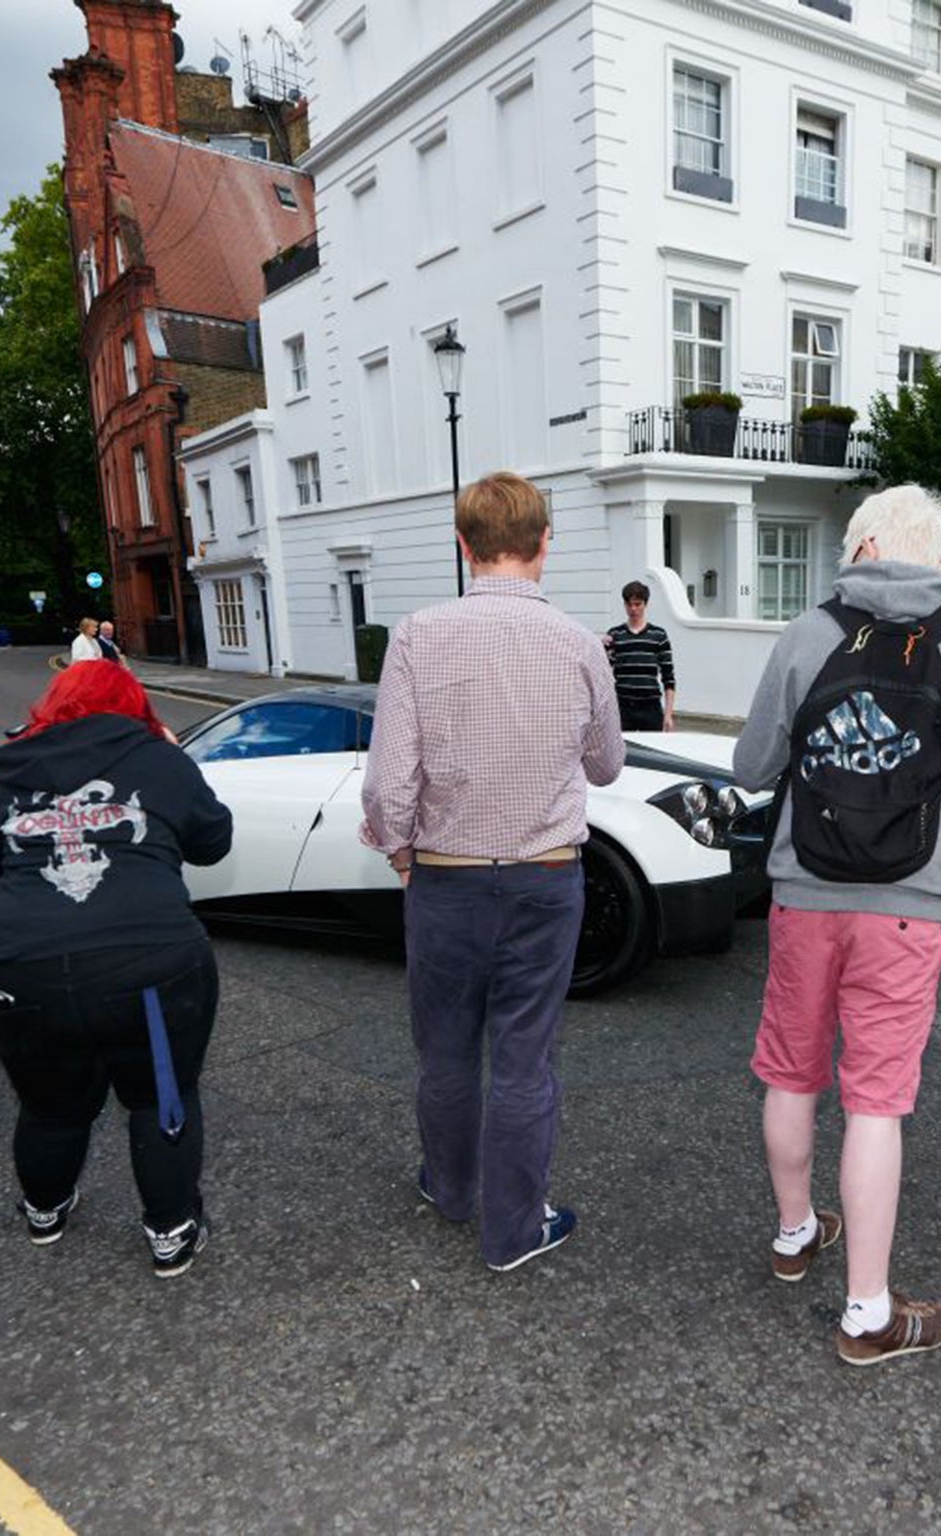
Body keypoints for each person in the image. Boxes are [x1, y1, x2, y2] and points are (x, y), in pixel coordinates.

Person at [733, 485, 941, 1365]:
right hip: (906, 904)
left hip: (804, 890)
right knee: (876, 1104)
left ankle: (793, 1234)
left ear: (865, 547)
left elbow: (753, 763)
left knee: (791, 1072)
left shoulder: (809, 633)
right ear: (930, 553)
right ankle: (868, 1313)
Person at [360, 471, 624, 1272]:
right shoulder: (580, 644)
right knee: (521, 1056)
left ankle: (450, 1187)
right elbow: (607, 764)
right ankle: (512, 1230)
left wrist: (400, 848)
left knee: (444, 1050)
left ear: (464, 545)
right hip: (545, 878)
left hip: (445, 877)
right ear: (545, 544)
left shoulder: (416, 634)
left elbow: (388, 780)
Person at [0, 661, 233, 1276]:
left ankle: (45, 1208)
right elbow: (213, 840)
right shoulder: (157, 759)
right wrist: (173, 759)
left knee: (49, 1104)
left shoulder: (13, 771)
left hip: (22, 967)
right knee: (159, 1097)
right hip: (147, 960)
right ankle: (170, 1230)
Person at [604, 580, 676, 732]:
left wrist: (668, 714)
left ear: (645, 604)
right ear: (624, 605)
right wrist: (600, 647)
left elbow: (668, 677)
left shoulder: (659, 635)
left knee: (652, 754)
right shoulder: (614, 635)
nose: (633, 609)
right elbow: (603, 673)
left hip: (651, 708)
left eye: (638, 604)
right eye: (629, 604)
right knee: (621, 754)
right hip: (622, 707)